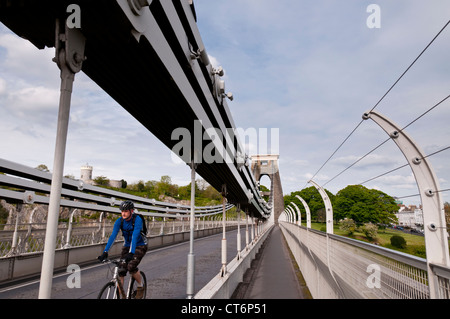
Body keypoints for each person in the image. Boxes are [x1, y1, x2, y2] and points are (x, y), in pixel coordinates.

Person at [98, 200, 148, 299]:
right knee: (121, 270)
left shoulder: (137, 220)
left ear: (131, 211)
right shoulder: (119, 221)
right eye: (122, 211)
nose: (123, 213)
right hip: (127, 245)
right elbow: (113, 236)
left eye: (126, 211)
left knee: (131, 266)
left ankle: (140, 286)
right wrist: (105, 252)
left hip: (140, 245)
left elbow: (135, 236)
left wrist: (131, 252)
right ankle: (120, 296)